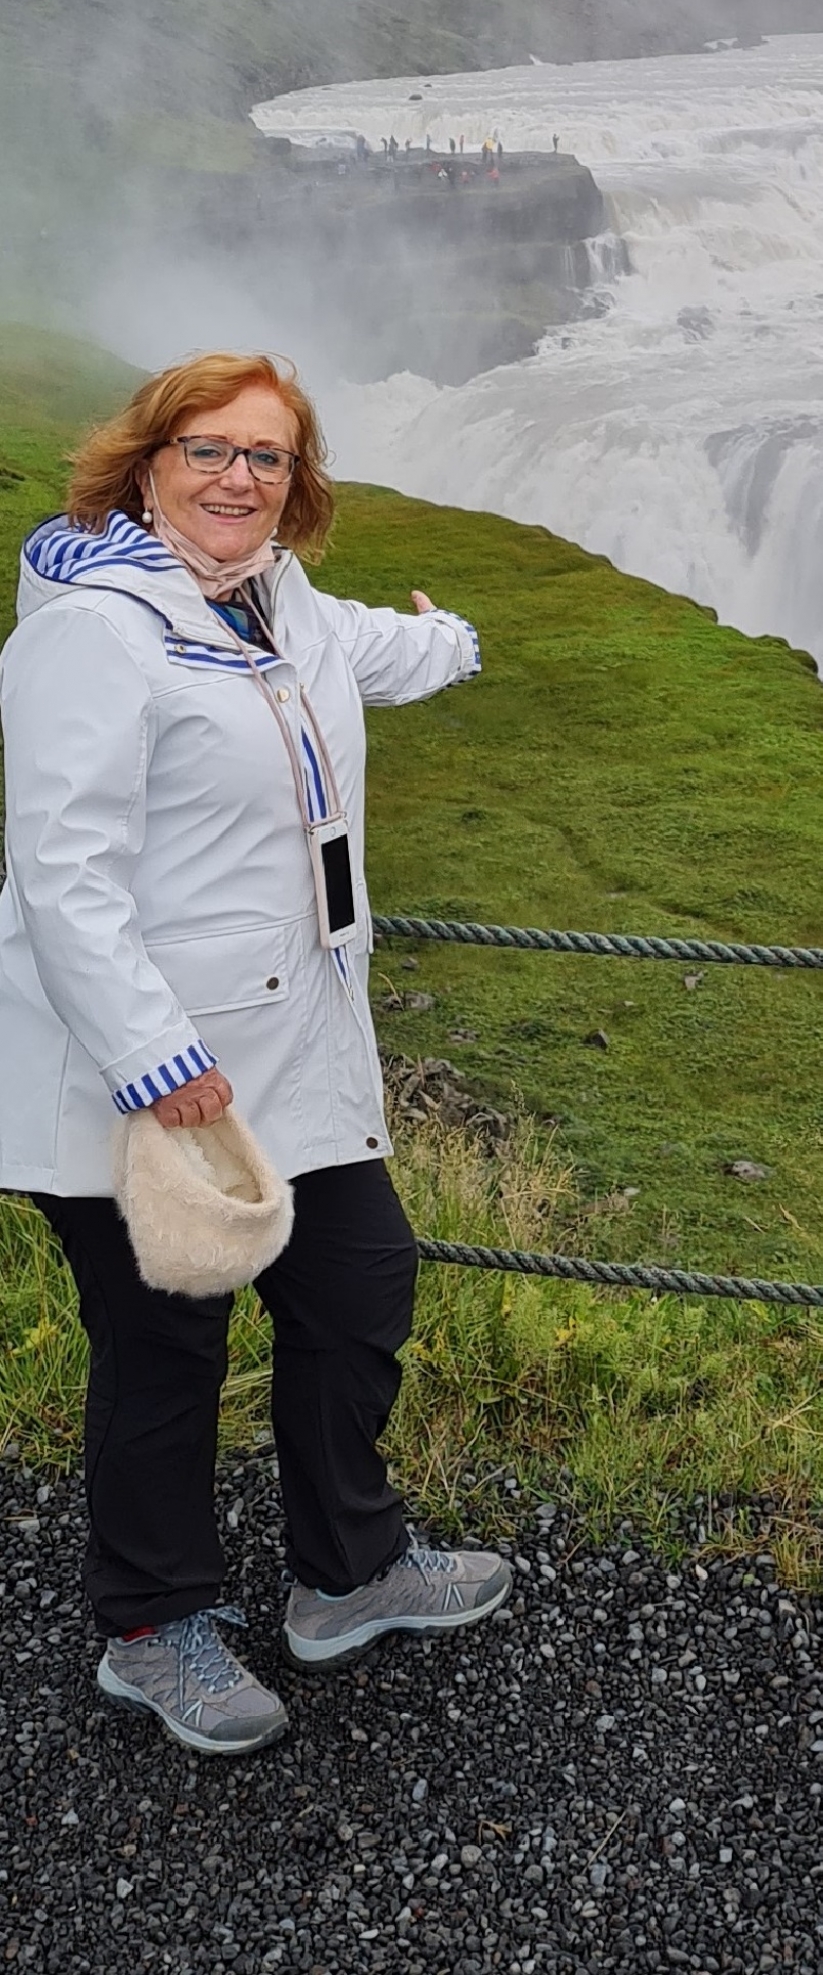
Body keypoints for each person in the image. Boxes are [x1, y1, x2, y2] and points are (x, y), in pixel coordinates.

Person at [0, 352, 510, 1757]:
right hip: (147, 1074)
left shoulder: (269, 596)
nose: (237, 477)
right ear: (145, 462)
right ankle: (153, 1628)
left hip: (292, 1049)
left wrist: (453, 638)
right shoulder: (94, 632)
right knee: (166, 1342)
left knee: (356, 1293)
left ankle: (346, 1578)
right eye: (208, 449)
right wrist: (157, 1059)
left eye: (266, 459)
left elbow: (360, 648)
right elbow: (62, 870)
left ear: (299, 487)